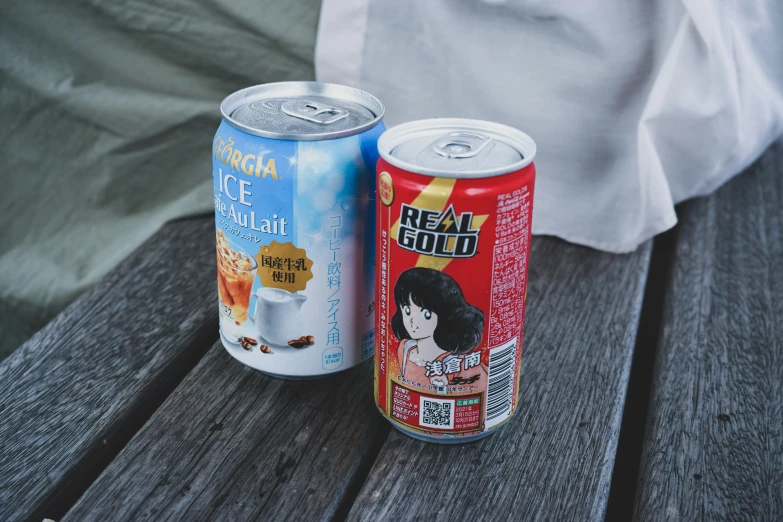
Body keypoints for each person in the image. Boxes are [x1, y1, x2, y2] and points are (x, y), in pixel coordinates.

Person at [391, 267, 487, 393]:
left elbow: (484, 389)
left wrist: (443, 388)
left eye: (426, 314)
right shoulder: (406, 348)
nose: (412, 321)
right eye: (407, 311)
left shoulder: (460, 364)